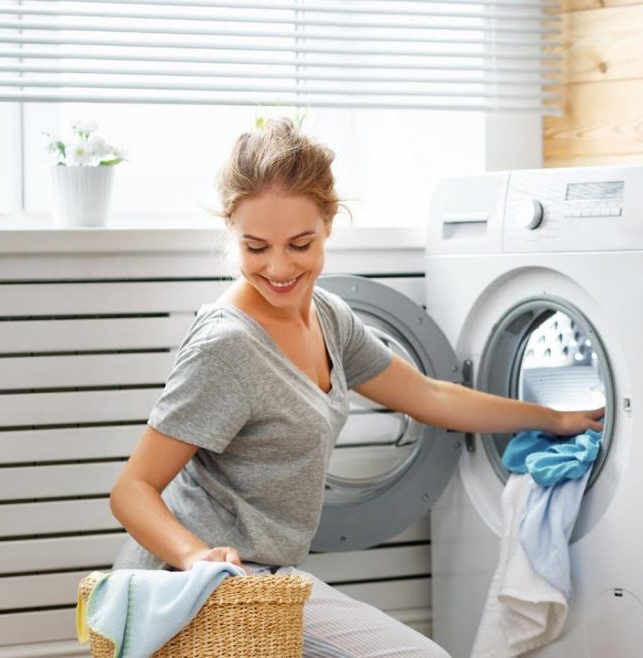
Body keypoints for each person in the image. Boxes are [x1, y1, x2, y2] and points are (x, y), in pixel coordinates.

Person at [108, 118, 604, 657]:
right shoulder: (225, 347)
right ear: (232, 232)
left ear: (330, 223)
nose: (277, 267)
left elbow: (431, 396)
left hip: (267, 580)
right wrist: (195, 556)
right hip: (196, 587)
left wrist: (552, 418)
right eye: (255, 248)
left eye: (300, 244)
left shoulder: (328, 317)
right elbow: (132, 489)